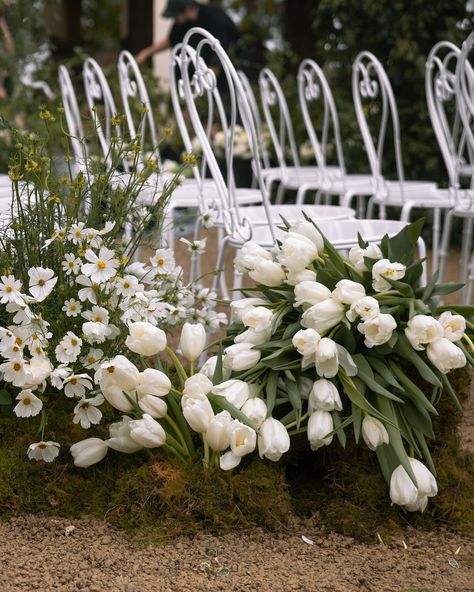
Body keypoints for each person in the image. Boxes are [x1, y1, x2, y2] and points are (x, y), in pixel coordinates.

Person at [135, 0, 239, 66]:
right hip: (187, 78)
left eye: (176, 16)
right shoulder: (183, 22)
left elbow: (219, 58)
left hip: (218, 83)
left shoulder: (216, 18)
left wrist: (204, 86)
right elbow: (171, 40)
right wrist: (146, 53)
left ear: (189, 8)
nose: (175, 19)